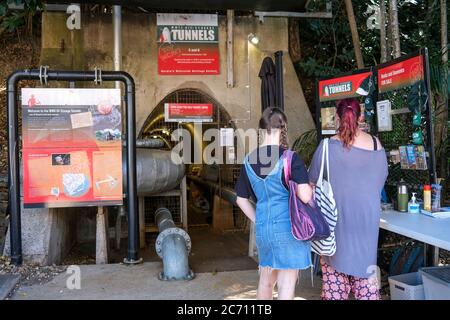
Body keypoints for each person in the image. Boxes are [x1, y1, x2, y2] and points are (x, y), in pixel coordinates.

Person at [309, 98, 388, 300]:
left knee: (334, 290)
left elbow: (312, 186)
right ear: (361, 117)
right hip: (366, 226)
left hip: (334, 227)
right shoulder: (375, 144)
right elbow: (379, 183)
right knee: (367, 287)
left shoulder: (325, 147)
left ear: (336, 117)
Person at [234, 107, 313, 300]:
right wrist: (310, 186)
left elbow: (240, 199)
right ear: (283, 129)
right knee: (286, 286)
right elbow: (304, 196)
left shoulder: (249, 161)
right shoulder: (290, 158)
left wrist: (257, 219)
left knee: (266, 282)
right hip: (289, 229)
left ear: (261, 130)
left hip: (264, 230)